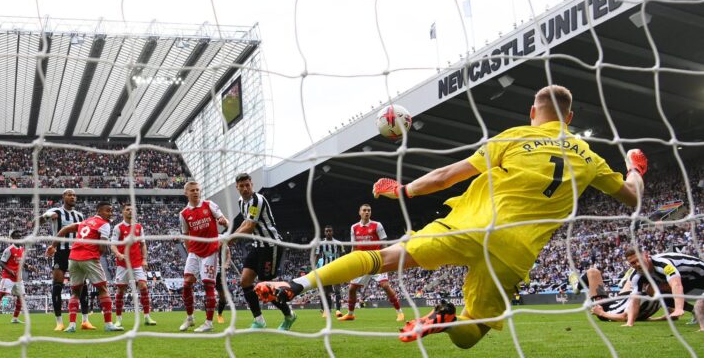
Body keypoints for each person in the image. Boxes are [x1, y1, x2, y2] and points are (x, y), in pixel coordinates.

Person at [256, 85, 646, 348]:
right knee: (469, 336)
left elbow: (446, 176)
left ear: (532, 113)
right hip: (514, 253)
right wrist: (635, 169)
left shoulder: (513, 136)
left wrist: (404, 190)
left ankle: (297, 283)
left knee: (387, 257)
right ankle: (446, 320)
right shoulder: (589, 156)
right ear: (571, 116)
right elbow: (631, 199)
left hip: (472, 226)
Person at [46, 202, 123, 332]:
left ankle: (71, 325)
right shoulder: (104, 224)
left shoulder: (85, 222)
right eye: (108, 211)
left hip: (73, 257)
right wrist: (98, 255)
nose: (110, 213)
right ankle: (109, 324)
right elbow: (102, 245)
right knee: (103, 288)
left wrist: (53, 246)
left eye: (111, 211)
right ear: (99, 211)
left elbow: (64, 229)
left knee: (76, 291)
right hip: (89, 257)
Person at [233, 172, 297, 330]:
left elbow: (249, 228)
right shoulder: (241, 202)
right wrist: (230, 236)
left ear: (252, 184)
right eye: (242, 186)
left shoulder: (257, 200)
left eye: (247, 185)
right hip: (258, 245)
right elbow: (244, 223)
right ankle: (259, 320)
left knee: (265, 287)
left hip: (271, 246)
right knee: (245, 281)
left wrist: (229, 239)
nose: (245, 188)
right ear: (237, 188)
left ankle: (289, 314)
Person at [36, 189, 93, 331]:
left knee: (82, 286)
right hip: (60, 252)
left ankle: (85, 321)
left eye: (74, 195)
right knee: (57, 286)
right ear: (63, 197)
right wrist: (47, 216)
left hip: (77, 251)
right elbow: (36, 222)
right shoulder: (55, 211)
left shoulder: (79, 215)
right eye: (69, 195)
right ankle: (59, 322)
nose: (73, 197)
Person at [178, 181, 230, 332]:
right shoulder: (183, 214)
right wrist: (190, 254)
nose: (195, 192)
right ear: (186, 193)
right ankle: (190, 318)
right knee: (187, 284)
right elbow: (186, 236)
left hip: (210, 251)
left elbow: (226, 222)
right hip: (194, 253)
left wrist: (223, 221)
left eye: (197, 190)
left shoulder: (209, 205)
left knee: (208, 285)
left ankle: (209, 322)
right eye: (192, 190)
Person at [338, 206, 404, 322]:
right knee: (352, 289)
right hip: (362, 261)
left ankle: (400, 313)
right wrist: (352, 261)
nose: (367, 212)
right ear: (359, 212)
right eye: (364, 210)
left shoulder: (377, 225)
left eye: (369, 210)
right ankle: (350, 314)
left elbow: (384, 244)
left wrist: (388, 258)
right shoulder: (354, 227)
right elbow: (354, 247)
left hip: (377, 260)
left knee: (385, 286)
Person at [623, 248, 704, 330]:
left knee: (699, 304)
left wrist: (678, 308)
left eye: (639, 260)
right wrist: (630, 322)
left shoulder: (663, 264)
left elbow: (676, 284)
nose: (637, 264)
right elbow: (635, 299)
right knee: (653, 291)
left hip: (700, 276)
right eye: (633, 263)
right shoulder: (636, 276)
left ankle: (697, 311)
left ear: (646, 255)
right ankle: (694, 311)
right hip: (687, 280)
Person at [110, 203, 156, 327]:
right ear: (123, 212)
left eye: (132, 209)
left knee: (144, 287)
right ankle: (118, 319)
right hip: (123, 264)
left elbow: (142, 244)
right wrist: (118, 254)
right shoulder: (118, 227)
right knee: (121, 290)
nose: (130, 211)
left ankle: (147, 316)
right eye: (127, 209)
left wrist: (144, 259)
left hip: (136, 263)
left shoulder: (139, 227)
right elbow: (113, 245)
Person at [0, 229, 37, 324]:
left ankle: (15, 318)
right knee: (1, 294)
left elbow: (21, 262)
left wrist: (29, 267)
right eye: (16, 235)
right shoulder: (9, 249)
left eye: (19, 235)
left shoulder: (22, 249)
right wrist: (10, 271)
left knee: (21, 297)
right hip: (8, 277)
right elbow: (1, 262)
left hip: (18, 278)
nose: (19, 237)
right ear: (12, 238)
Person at [580, 267, 663, 322]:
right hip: (623, 300)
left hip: (608, 309)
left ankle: (576, 285)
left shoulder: (640, 297)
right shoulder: (664, 296)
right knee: (634, 272)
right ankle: (625, 280)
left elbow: (623, 317)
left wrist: (601, 313)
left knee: (593, 272)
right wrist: (656, 318)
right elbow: (672, 315)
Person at [315, 225, 345, 319]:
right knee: (325, 291)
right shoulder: (320, 244)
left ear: (332, 232)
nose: (328, 232)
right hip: (325, 270)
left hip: (336, 269)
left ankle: (338, 310)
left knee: (337, 290)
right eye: (327, 231)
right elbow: (316, 256)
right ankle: (326, 310)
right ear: (324, 233)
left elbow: (343, 256)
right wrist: (315, 268)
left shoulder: (339, 243)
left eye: (330, 231)